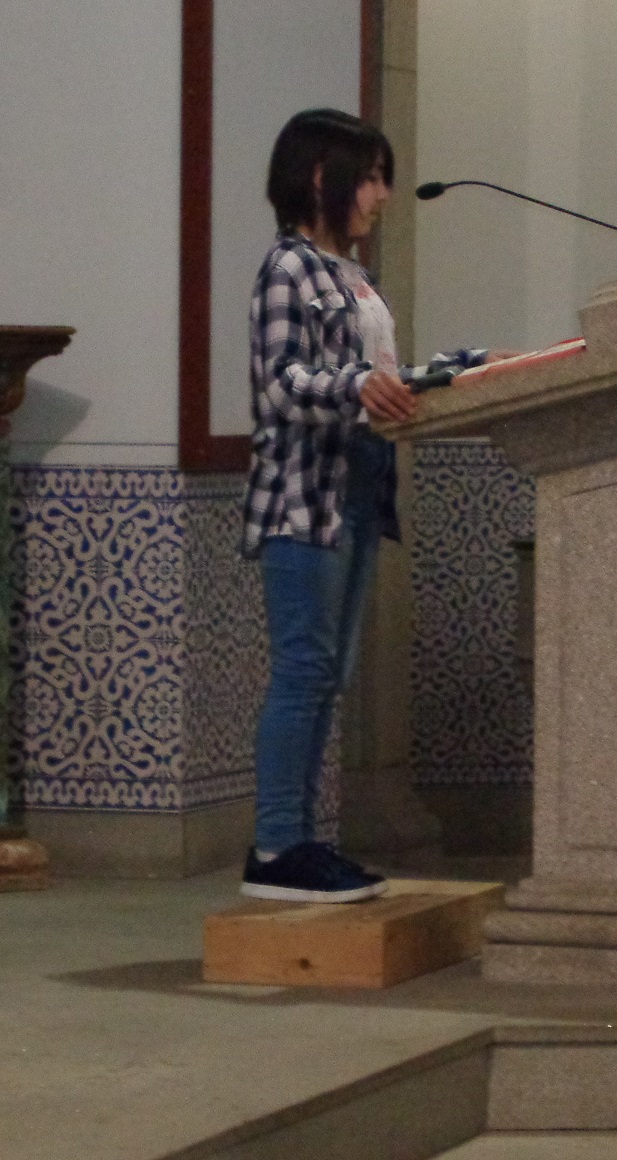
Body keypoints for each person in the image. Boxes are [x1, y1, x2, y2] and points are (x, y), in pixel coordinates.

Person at [240, 108, 501, 903]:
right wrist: (358, 386)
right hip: (304, 494)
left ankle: (301, 842)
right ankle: (276, 847)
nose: (383, 195)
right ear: (323, 176)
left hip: (358, 483)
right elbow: (281, 383)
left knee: (330, 675)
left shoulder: (350, 273)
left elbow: (377, 375)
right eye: (373, 177)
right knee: (304, 670)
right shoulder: (288, 268)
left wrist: (462, 371)